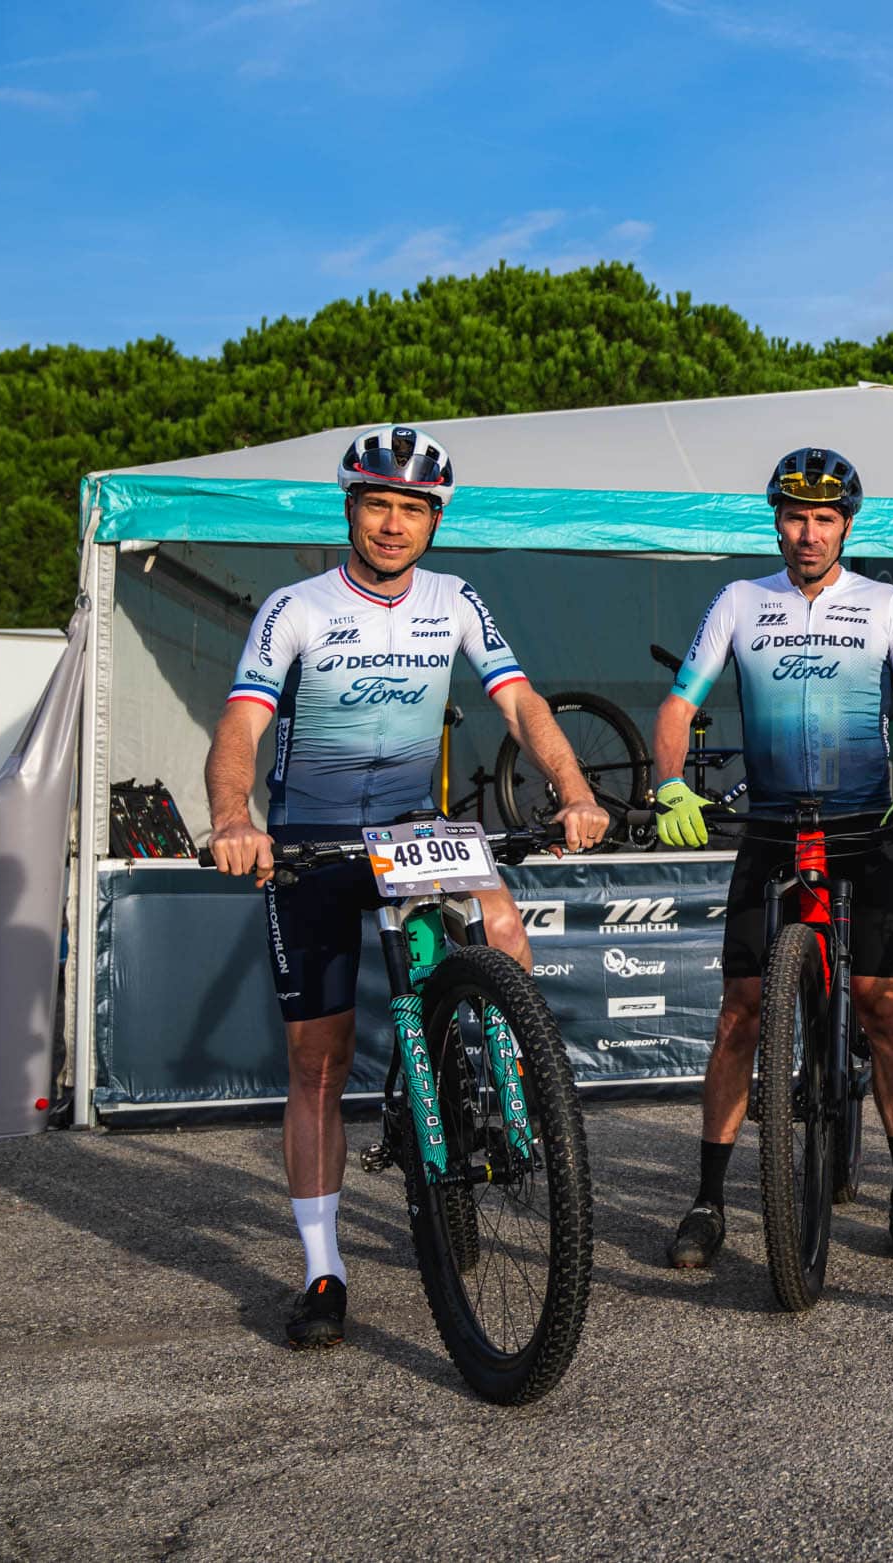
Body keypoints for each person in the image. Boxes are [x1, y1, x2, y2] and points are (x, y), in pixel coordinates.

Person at [204, 424, 609, 1350]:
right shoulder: (296, 606)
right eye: (378, 504)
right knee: (320, 1061)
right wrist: (235, 817)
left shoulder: (455, 599)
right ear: (351, 509)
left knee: (502, 920)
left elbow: (520, 700)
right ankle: (321, 1268)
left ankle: (506, 1085)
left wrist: (577, 789)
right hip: (310, 839)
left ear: (435, 520)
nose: (393, 524)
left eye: (413, 509)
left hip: (411, 833)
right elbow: (241, 722)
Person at [650, 447, 893, 1266]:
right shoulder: (740, 600)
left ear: (846, 524)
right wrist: (668, 783)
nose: (808, 532)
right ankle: (709, 1199)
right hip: (773, 827)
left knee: (882, 1004)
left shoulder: (888, 604)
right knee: (739, 1012)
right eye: (794, 515)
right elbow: (679, 702)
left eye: (824, 518)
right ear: (776, 520)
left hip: (864, 826)